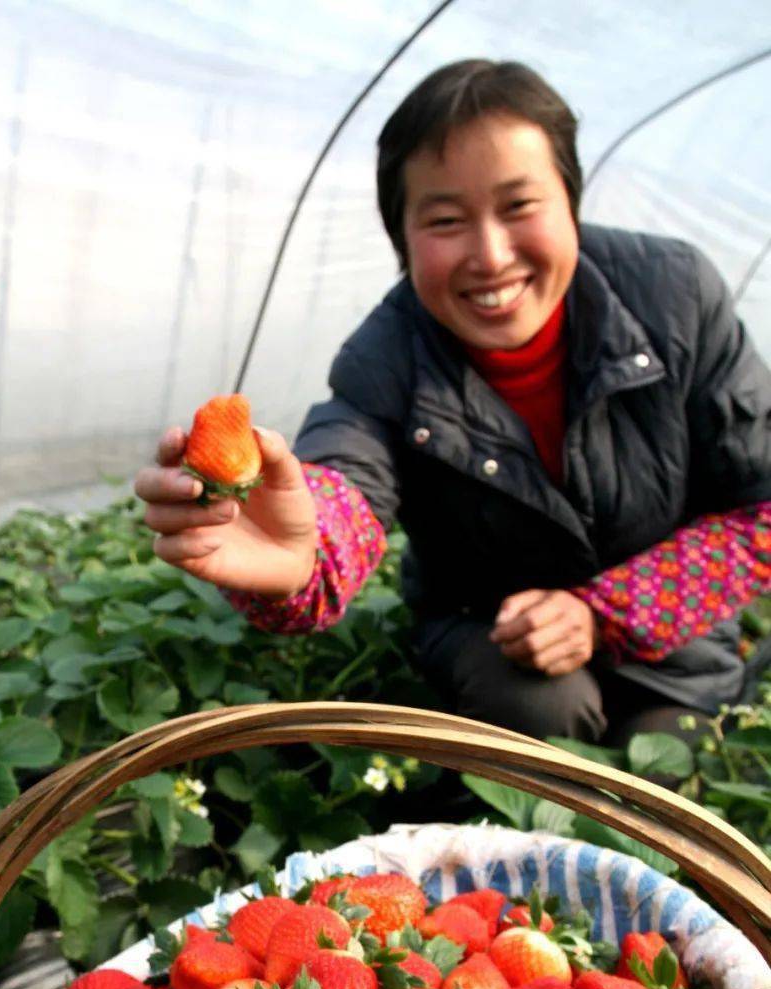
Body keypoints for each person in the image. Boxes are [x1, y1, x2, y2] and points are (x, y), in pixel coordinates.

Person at [134, 59, 771, 745]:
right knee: (538, 723)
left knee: (670, 761)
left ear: (571, 202)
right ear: (402, 243)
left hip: (675, 648)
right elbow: (346, 479)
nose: (491, 255)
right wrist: (301, 557)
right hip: (485, 629)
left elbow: (762, 506)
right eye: (445, 220)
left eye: (520, 206)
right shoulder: (386, 357)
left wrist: (602, 614)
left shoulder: (674, 297)